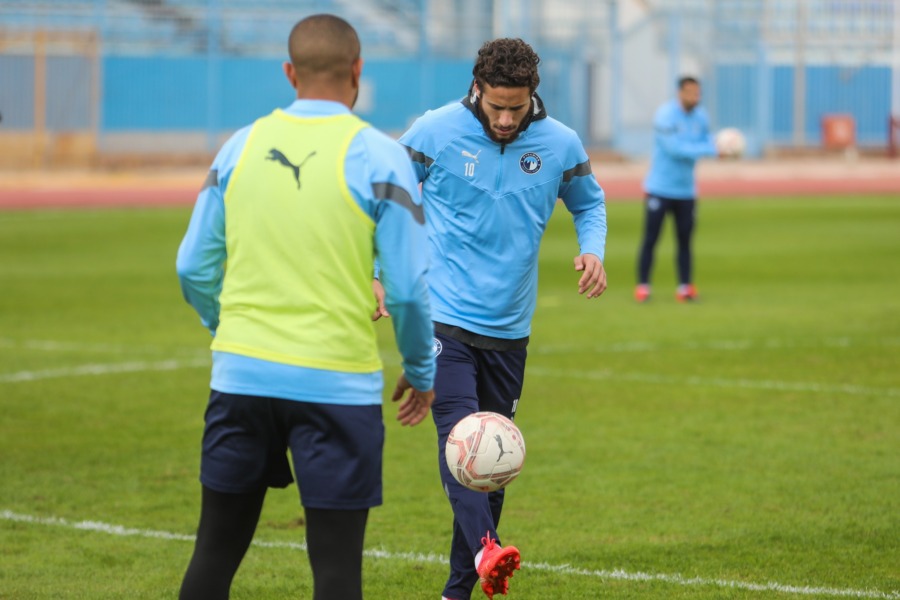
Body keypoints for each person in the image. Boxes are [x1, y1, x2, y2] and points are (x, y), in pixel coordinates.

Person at [174, 14, 435, 600]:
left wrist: (225, 325)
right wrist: (420, 373)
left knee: (214, 553)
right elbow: (410, 289)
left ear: (289, 73)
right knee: (337, 569)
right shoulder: (378, 155)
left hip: (240, 374)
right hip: (335, 384)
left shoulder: (239, 147)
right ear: (358, 72)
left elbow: (191, 266)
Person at [379, 38, 608, 600]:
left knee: (495, 454)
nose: (506, 119)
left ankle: (460, 587)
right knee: (462, 435)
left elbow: (588, 202)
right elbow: (384, 196)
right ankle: (486, 547)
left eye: (518, 107)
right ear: (476, 89)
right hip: (443, 315)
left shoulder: (559, 143)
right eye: (496, 106)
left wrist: (592, 248)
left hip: (509, 327)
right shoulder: (434, 130)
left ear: (534, 95)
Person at [635, 76, 719, 303]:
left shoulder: (701, 116)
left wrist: (714, 147)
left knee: (685, 240)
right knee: (651, 238)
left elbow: (708, 141)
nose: (695, 97)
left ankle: (684, 287)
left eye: (698, 93)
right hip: (659, 188)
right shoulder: (665, 115)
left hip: (686, 191)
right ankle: (643, 287)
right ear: (680, 93)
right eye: (691, 93)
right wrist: (711, 149)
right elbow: (674, 149)